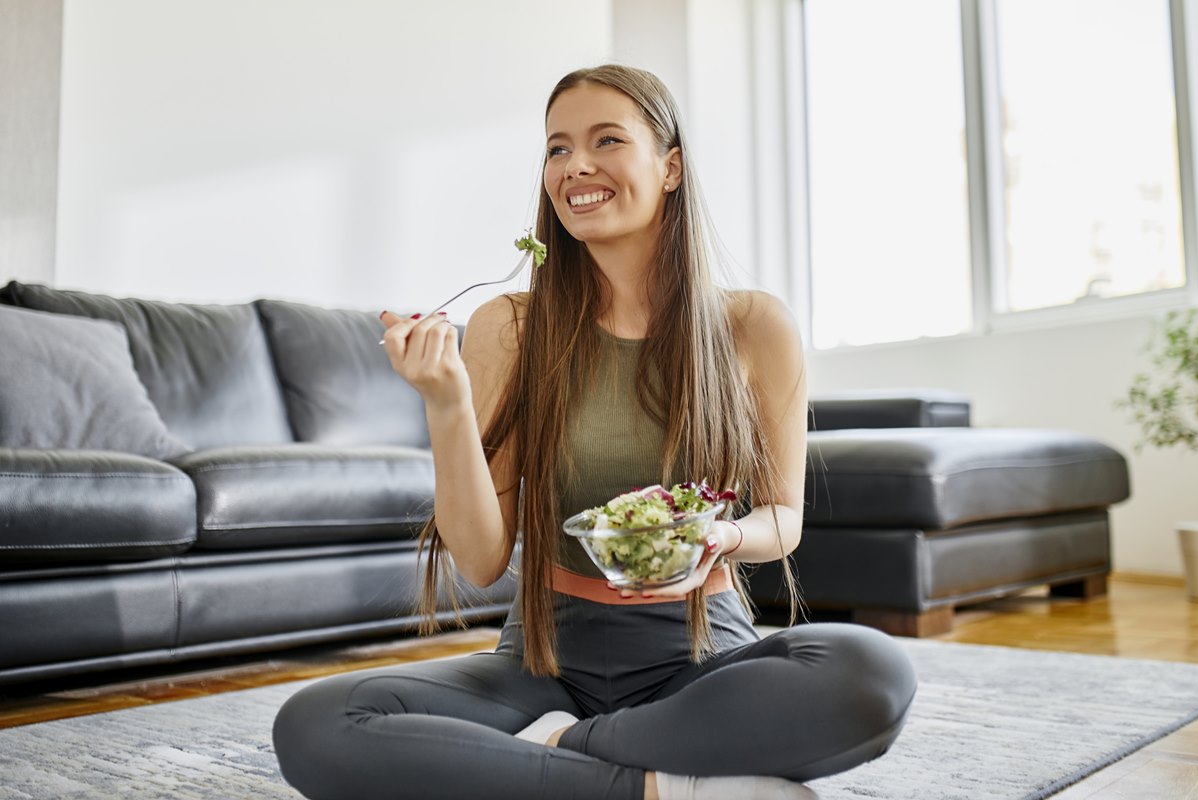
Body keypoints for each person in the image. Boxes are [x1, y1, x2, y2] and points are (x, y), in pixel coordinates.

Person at [273, 64, 916, 800]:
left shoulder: (753, 326)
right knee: (318, 723)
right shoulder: (509, 328)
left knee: (874, 675)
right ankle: (664, 783)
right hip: (543, 660)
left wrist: (725, 539)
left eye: (606, 140)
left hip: (700, 654)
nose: (575, 165)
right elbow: (482, 560)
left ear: (670, 166)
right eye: (556, 148)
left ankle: (559, 753)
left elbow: (784, 518)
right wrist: (446, 406)